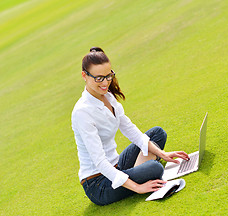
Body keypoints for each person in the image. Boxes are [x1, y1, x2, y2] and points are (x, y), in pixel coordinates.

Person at [71, 47, 189, 205]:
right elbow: (99, 161)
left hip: (117, 165)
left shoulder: (108, 96)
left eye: (108, 76)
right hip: (98, 183)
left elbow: (130, 129)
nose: (105, 83)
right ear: (84, 76)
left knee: (157, 134)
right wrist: (137, 188)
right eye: (99, 78)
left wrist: (163, 154)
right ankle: (141, 174)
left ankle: (140, 171)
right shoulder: (82, 112)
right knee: (155, 169)